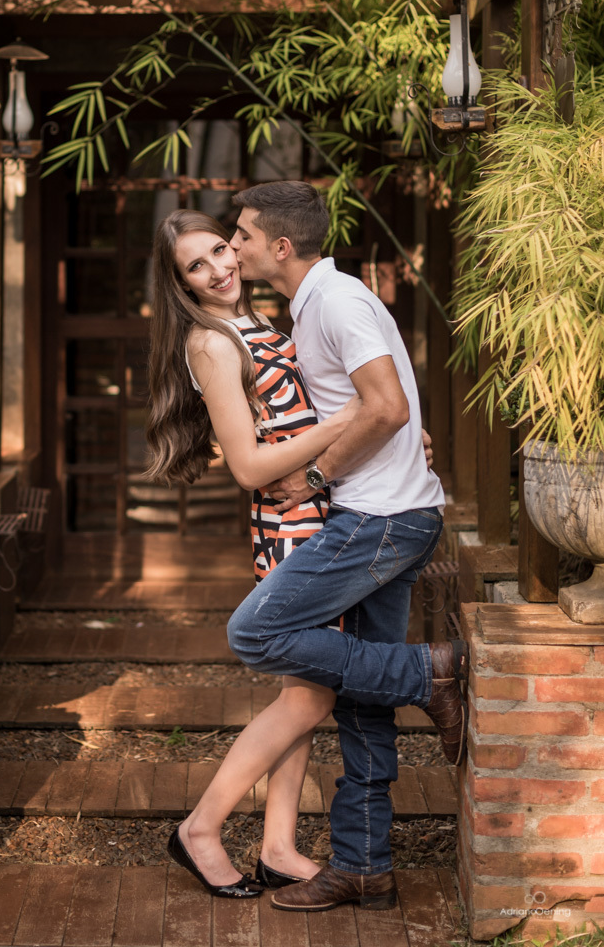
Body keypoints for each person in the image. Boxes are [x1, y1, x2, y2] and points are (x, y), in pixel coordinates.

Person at [224, 180, 467, 914]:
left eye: (241, 235)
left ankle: (428, 672)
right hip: (379, 511)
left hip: (381, 518)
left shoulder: (336, 300)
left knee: (255, 630)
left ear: (280, 246)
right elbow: (375, 406)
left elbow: (386, 406)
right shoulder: (312, 306)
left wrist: (316, 477)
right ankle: (364, 866)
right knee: (362, 700)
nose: (233, 246)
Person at [145, 208, 361, 898]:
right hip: (290, 524)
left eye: (220, 250)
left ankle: (277, 847)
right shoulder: (210, 343)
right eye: (197, 266)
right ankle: (201, 828)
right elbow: (247, 466)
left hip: (315, 511)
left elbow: (293, 418)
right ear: (181, 284)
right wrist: (348, 422)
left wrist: (373, 439)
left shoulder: (257, 321)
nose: (219, 269)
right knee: (310, 697)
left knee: (303, 693)